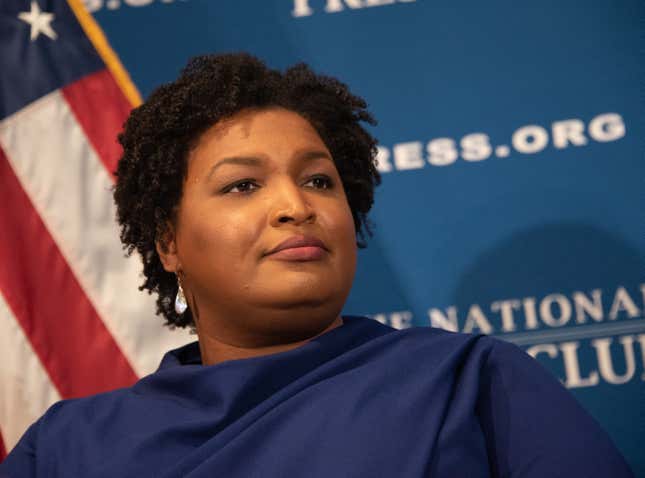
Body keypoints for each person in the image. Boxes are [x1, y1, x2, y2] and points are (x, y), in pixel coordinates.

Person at [0, 53, 634, 477]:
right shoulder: (67, 449)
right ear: (169, 243)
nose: (295, 206)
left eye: (319, 181)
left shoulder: (470, 381)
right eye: (243, 186)